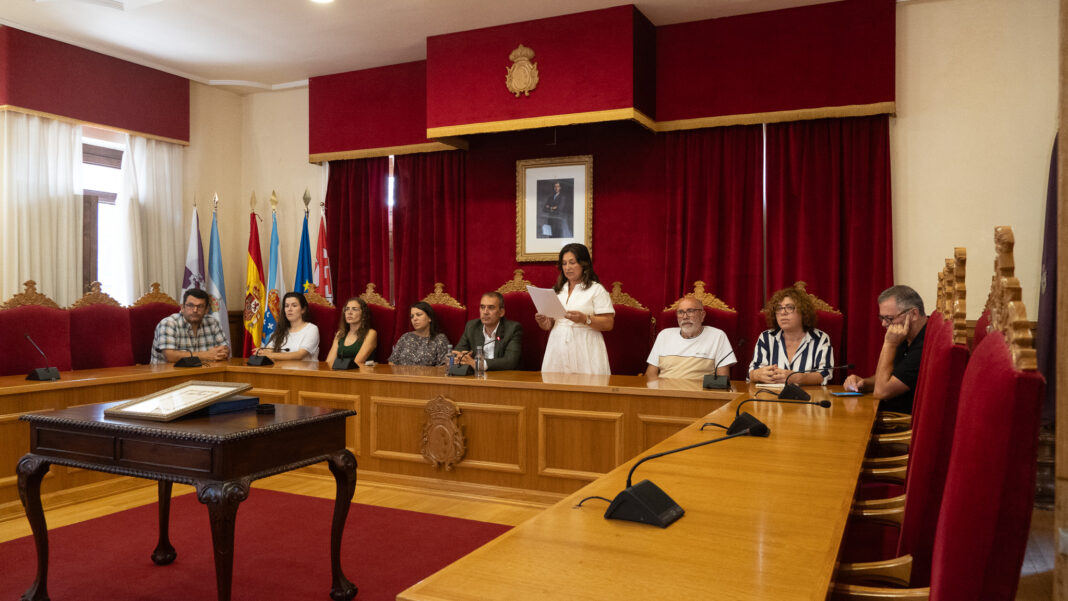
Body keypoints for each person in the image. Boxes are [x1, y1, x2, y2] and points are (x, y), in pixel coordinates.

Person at [843, 285, 928, 414]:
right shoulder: (905, 335)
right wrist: (864, 383)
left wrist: (889, 344)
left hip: (903, 419)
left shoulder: (925, 344)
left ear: (913, 314)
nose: (883, 324)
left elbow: (881, 392)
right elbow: (892, 377)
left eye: (889, 318)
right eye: (882, 318)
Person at [536, 243, 614, 374]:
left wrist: (584, 319)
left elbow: (608, 323)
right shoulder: (558, 290)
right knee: (555, 384)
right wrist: (545, 322)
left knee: (587, 384)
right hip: (557, 347)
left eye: (572, 263)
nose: (567, 268)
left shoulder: (596, 289)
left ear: (584, 264)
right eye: (564, 263)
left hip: (586, 347)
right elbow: (551, 324)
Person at [748, 286, 834, 385]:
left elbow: (824, 374)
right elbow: (752, 372)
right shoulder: (766, 337)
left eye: (789, 307)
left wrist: (798, 378)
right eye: (779, 308)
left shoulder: (820, 339)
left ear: (803, 312)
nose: (783, 312)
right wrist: (757, 375)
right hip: (770, 394)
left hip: (807, 394)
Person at [645, 296, 735, 380]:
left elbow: (722, 379)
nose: (685, 317)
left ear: (702, 315)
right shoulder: (664, 335)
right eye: (681, 312)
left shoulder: (717, 336)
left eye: (690, 311)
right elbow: (650, 374)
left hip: (698, 391)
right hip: (664, 390)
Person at [150, 288, 230, 364]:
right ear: (182, 308)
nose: (195, 310)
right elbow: (170, 356)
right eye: (190, 305)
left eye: (200, 306)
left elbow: (225, 350)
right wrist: (206, 355)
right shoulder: (168, 323)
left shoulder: (212, 323)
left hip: (204, 371)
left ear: (206, 310)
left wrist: (223, 353)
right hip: (168, 372)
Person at [452, 291, 523, 371]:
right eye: (482, 307)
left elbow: (510, 361)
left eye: (491, 308)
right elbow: (457, 352)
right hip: (477, 376)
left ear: (501, 312)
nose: (485, 312)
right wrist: (461, 356)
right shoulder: (472, 327)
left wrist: (479, 364)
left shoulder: (513, 329)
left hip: (504, 376)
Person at [253, 291, 320, 361]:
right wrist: (261, 352)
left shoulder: (311, 329)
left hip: (305, 368)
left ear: (303, 310)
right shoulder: (282, 330)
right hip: (280, 367)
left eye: (294, 305)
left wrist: (270, 355)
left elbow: (300, 355)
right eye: (286, 306)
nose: (289, 309)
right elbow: (269, 349)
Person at [389, 301, 451, 366]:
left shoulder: (440, 339)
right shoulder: (405, 337)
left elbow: (444, 367)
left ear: (429, 318)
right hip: (401, 372)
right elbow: (392, 362)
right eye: (412, 316)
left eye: (418, 315)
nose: (414, 319)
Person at [324, 296, 378, 367]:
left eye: (354, 309)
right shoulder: (340, 333)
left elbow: (357, 363)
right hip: (339, 371)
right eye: (347, 309)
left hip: (359, 372)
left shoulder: (371, 333)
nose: (349, 312)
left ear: (363, 314)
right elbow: (329, 362)